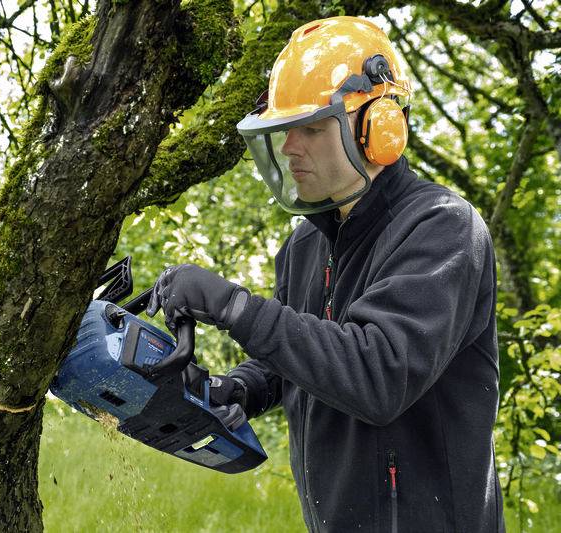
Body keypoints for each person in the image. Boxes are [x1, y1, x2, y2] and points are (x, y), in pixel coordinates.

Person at [146, 16, 504, 533]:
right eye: (284, 130)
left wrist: (235, 307)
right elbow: (294, 356)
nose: (290, 148)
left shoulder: (442, 229)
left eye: (310, 128)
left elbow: (377, 375)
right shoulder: (307, 243)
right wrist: (241, 389)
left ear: (378, 127)